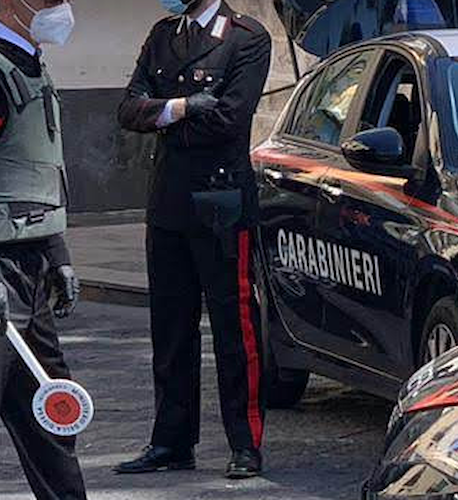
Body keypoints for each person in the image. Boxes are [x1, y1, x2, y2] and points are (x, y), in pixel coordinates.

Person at [115, 0, 271, 480]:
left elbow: (228, 118)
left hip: (220, 198)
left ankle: (245, 445)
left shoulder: (246, 37)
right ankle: (171, 441)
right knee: (170, 329)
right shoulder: (165, 32)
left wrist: (160, 112)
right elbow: (127, 110)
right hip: (169, 200)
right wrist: (182, 107)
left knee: (233, 329)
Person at [0, 0, 87, 498]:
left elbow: (33, 178)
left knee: (54, 419)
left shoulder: (29, 63)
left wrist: (59, 255)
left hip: (30, 268)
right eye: (48, 0)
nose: (61, 8)